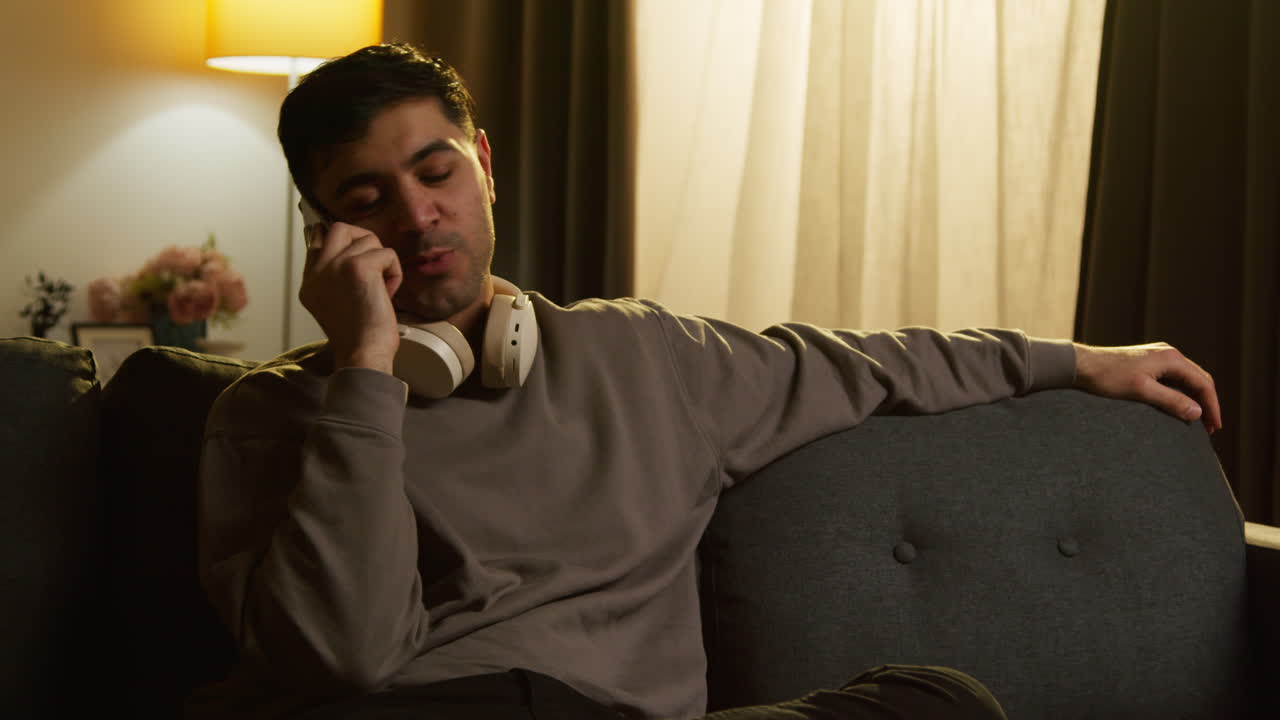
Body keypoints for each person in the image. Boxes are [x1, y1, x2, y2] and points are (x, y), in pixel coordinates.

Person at [188, 43, 1221, 720]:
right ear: (327, 234)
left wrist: (1083, 361)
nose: (416, 218)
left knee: (933, 700)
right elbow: (341, 660)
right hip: (421, 708)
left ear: (485, 165)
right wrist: (364, 374)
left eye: (436, 170)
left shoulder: (646, 356)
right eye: (368, 197)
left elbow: (878, 365)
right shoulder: (272, 415)